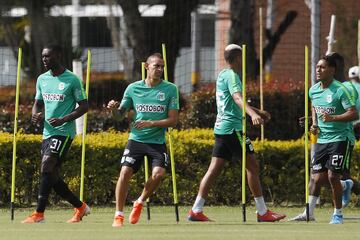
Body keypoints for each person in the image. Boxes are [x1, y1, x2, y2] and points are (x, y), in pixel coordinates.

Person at [187, 44, 286, 222]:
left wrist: (258, 111)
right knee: (253, 166)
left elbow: (232, 103)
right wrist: (253, 114)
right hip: (233, 129)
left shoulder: (222, 74)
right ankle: (262, 212)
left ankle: (196, 210)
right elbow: (237, 98)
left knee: (214, 170)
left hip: (221, 128)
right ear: (238, 58)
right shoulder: (233, 76)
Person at [107, 53, 179, 228]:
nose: (160, 70)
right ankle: (118, 215)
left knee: (159, 174)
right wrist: (113, 110)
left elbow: (173, 120)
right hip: (136, 140)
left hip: (157, 141)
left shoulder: (170, 89)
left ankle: (139, 201)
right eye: (156, 66)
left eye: (162, 66)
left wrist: (151, 123)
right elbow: (119, 116)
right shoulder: (133, 88)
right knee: (124, 173)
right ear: (147, 67)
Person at [21, 44, 90, 223]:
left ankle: (39, 214)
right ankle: (80, 207)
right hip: (47, 132)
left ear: (58, 56)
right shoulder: (42, 79)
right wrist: (34, 114)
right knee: (51, 175)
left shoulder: (72, 80)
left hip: (64, 131)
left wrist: (64, 119)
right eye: (43, 56)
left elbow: (84, 106)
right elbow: (37, 102)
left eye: (48, 56)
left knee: (46, 166)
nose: (44, 59)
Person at [290, 55, 358, 224]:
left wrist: (333, 118)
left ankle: (337, 214)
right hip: (322, 139)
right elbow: (315, 108)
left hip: (341, 138)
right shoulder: (313, 90)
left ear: (332, 70)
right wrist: (314, 124)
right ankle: (309, 213)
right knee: (316, 178)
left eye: (322, 67)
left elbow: (353, 113)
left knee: (333, 176)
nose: (318, 70)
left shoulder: (340, 89)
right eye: (317, 67)